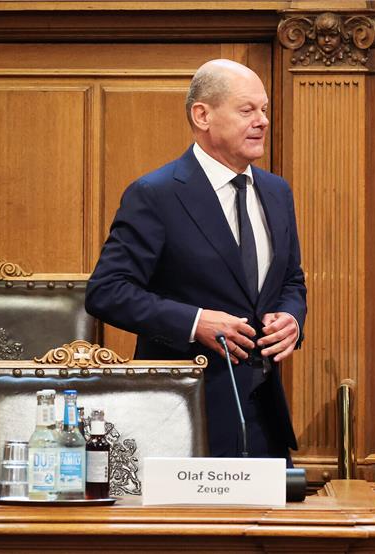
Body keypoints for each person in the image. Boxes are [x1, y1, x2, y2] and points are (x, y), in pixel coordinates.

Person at [85, 59, 306, 462]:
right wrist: (195, 321)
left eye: (264, 109)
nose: (263, 121)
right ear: (202, 115)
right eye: (247, 110)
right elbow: (107, 291)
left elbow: (291, 279)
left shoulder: (276, 192)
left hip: (263, 422)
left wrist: (291, 318)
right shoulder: (156, 193)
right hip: (183, 417)